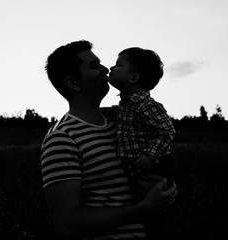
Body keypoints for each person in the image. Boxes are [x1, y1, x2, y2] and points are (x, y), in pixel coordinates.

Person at [40, 40, 178, 240]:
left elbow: (159, 158)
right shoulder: (62, 138)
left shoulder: (122, 121)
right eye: (94, 66)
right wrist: (142, 208)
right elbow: (67, 224)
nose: (106, 70)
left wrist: (165, 190)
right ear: (73, 83)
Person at [108, 47, 177, 239]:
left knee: (154, 219)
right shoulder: (127, 105)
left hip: (153, 167)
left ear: (133, 78)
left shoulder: (147, 106)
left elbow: (166, 131)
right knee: (145, 215)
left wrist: (149, 155)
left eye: (119, 64)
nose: (111, 68)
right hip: (139, 170)